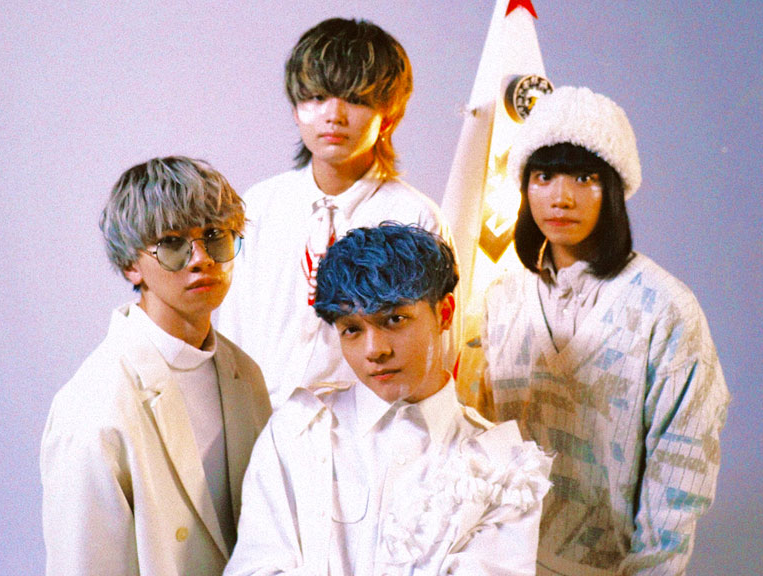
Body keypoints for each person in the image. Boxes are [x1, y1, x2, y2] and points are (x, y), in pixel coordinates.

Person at [476, 87, 730, 576]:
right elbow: (481, 440)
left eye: (584, 177)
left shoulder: (664, 309)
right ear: (524, 185)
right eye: (544, 176)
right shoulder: (501, 300)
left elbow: (680, 473)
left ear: (613, 188)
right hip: (499, 564)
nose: (561, 197)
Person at [225, 224, 551, 576]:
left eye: (395, 319)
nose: (374, 350)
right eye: (352, 329)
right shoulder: (297, 432)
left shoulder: (501, 467)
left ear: (444, 313)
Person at [40, 156, 272, 575]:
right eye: (172, 244)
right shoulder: (93, 404)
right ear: (131, 265)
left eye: (216, 236)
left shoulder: (245, 374)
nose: (201, 259)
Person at [216, 17, 449, 410]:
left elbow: (433, 357)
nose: (333, 115)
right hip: (261, 423)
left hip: (367, 429)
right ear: (296, 109)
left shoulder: (415, 217)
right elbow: (233, 330)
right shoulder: (259, 206)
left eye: (356, 99)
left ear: (389, 116)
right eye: (316, 97)